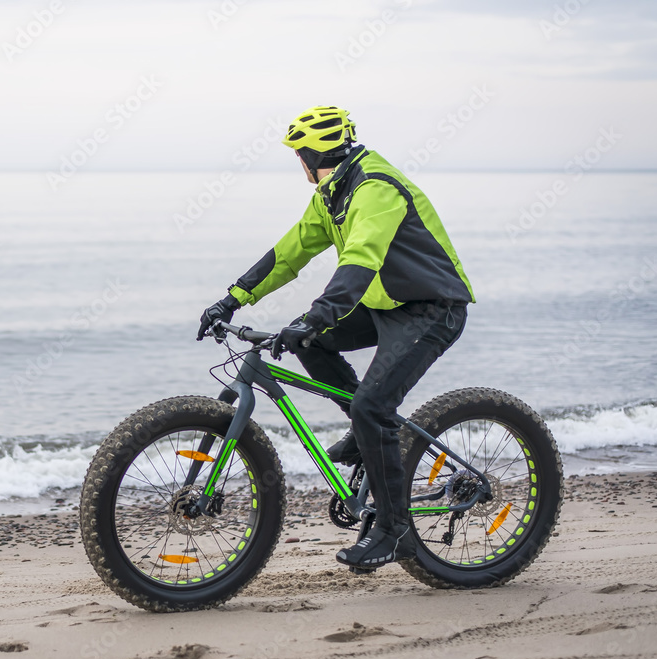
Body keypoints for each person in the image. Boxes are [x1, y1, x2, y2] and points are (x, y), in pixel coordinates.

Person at [196, 106, 475, 569]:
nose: (298, 164)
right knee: (314, 342)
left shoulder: (374, 188)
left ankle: (394, 531)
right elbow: (290, 252)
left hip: (431, 308)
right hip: (387, 303)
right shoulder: (333, 193)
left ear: (309, 156)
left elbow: (361, 260)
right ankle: (364, 432)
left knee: (372, 405)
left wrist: (317, 314)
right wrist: (233, 298)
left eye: (298, 156)